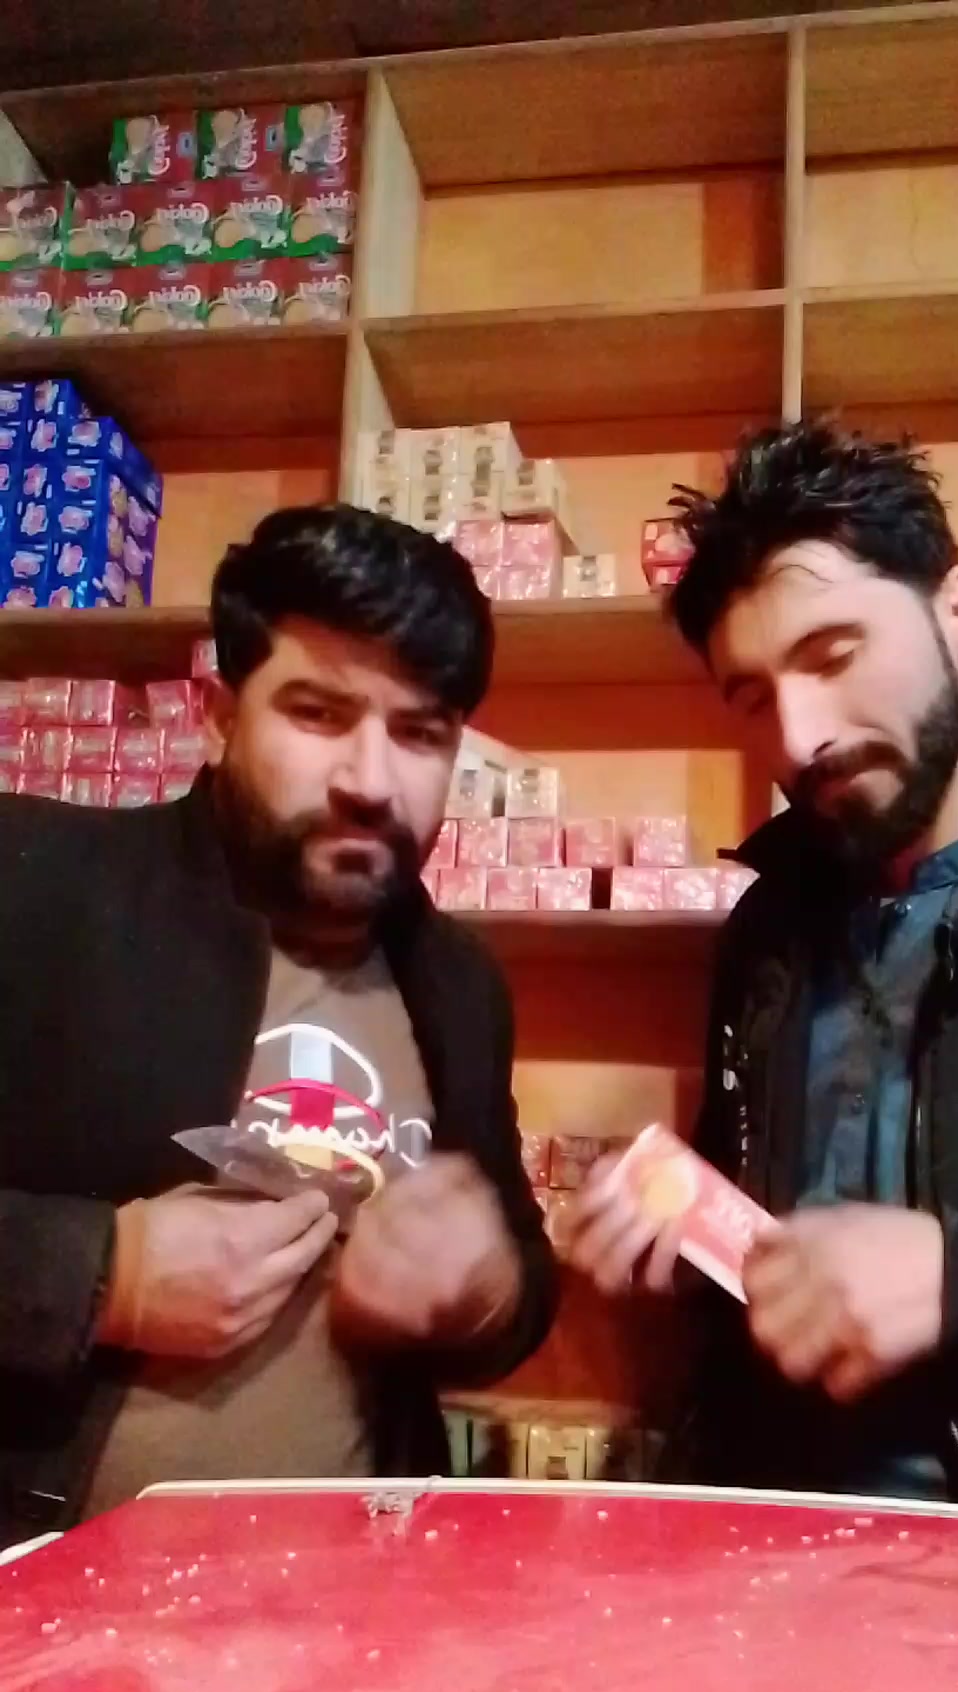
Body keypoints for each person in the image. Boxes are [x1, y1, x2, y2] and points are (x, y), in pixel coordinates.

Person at [0, 504, 556, 1548]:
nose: (370, 782)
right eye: (318, 713)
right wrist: (102, 1277)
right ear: (219, 714)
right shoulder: (31, 884)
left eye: (420, 733)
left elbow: (515, 1282)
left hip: (352, 1604)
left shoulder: (459, 981)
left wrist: (485, 1293)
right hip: (45, 1606)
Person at [572, 420, 958, 1510]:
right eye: (753, 696)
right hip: (770, 1536)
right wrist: (682, 1220)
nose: (799, 737)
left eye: (834, 656)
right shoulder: (766, 933)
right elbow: (768, 1262)